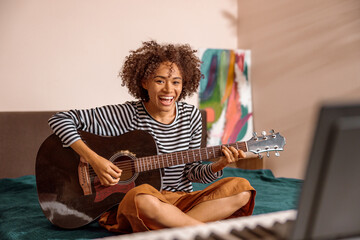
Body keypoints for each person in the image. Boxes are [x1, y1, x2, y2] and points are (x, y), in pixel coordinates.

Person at [48, 40, 256, 233]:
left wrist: (218, 165)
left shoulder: (191, 116)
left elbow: (192, 172)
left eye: (176, 82)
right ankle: (202, 232)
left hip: (181, 201)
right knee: (141, 196)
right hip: (145, 202)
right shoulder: (125, 114)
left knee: (242, 190)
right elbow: (60, 119)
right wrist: (95, 159)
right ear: (144, 82)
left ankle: (176, 227)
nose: (169, 89)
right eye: (160, 80)